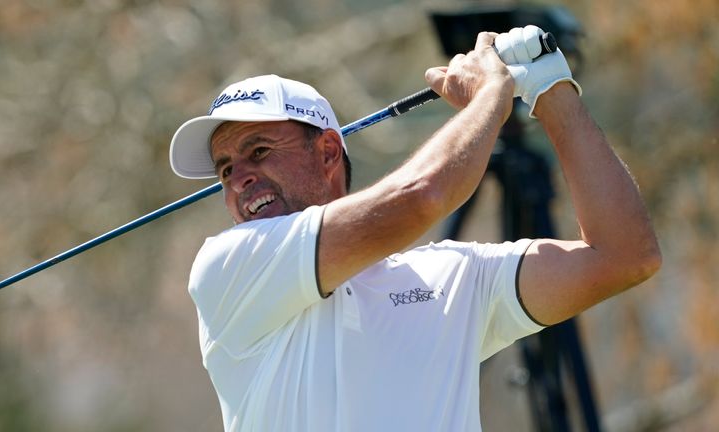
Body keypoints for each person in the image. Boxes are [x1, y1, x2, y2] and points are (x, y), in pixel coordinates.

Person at [169, 27, 661, 431]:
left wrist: (553, 91)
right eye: (225, 169)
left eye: (258, 151)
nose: (240, 178)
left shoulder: (448, 279)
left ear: (326, 153)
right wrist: (492, 93)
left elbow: (623, 256)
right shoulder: (226, 268)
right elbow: (422, 195)